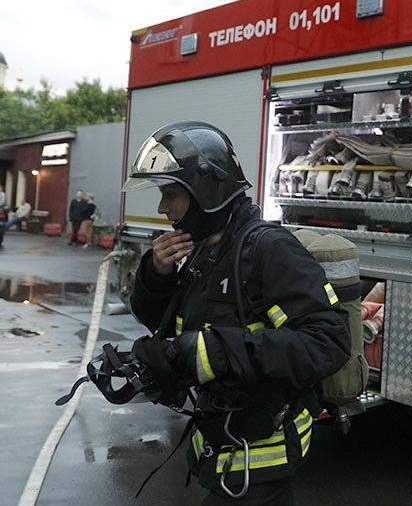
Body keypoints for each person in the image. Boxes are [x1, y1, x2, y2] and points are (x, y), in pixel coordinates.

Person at [122, 121, 350, 505]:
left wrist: (214, 352)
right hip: (224, 449)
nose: (162, 208)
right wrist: (156, 276)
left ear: (206, 190)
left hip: (261, 458)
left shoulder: (269, 250)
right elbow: (168, 325)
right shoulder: (206, 252)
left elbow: (329, 341)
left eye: (170, 194)